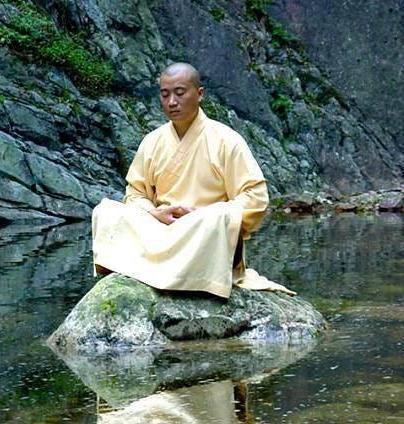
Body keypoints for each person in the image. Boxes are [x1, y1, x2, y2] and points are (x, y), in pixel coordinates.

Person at [92, 62, 294, 298]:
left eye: (180, 93)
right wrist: (155, 213)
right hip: (161, 229)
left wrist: (203, 214)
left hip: (201, 233)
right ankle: (160, 267)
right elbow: (135, 193)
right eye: (165, 94)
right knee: (106, 212)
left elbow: (255, 197)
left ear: (200, 94)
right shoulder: (152, 141)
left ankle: (164, 268)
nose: (172, 102)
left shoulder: (226, 140)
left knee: (216, 219)